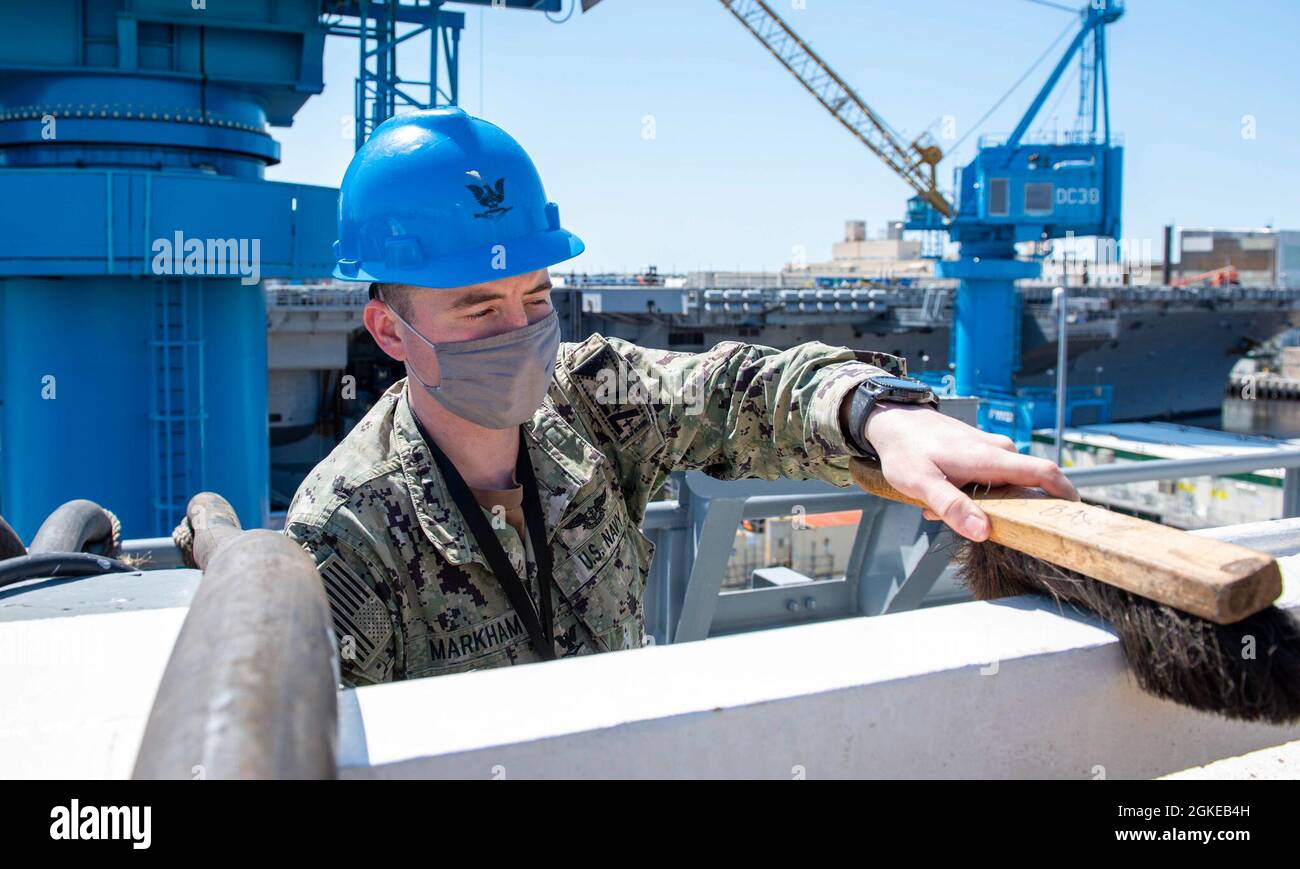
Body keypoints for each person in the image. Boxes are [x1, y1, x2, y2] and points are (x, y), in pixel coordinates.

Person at [285, 107, 1078, 686]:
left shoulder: (589, 402)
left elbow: (738, 390)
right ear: (389, 331)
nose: (522, 328)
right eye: (478, 306)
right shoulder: (348, 530)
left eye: (535, 296)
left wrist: (875, 412)